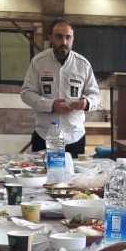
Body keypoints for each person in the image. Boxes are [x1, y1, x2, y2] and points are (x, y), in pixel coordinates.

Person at [21, 18, 100, 156]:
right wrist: (51, 105)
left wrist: (86, 103)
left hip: (74, 137)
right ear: (51, 38)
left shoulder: (83, 64)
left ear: (73, 39)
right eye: (59, 37)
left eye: (68, 37)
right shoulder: (38, 62)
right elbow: (26, 93)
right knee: (42, 170)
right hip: (44, 135)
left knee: (74, 171)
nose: (64, 42)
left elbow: (95, 96)